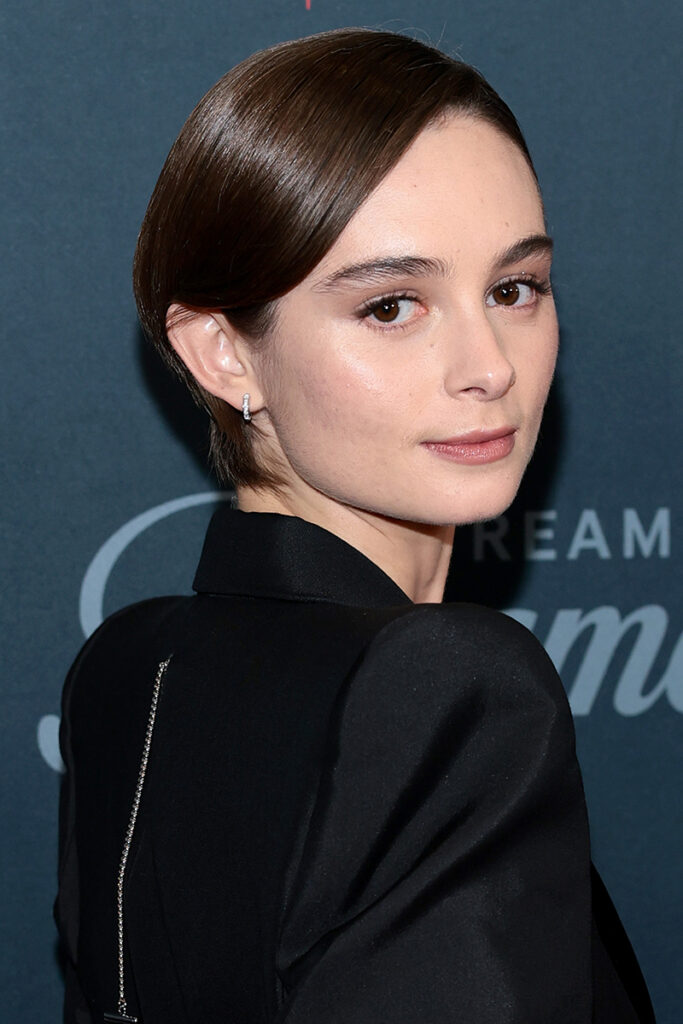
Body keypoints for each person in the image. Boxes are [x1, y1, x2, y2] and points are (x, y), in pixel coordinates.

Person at [54, 27, 655, 1024]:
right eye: (390, 307)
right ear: (222, 353)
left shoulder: (124, 668)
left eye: (514, 289)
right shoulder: (446, 687)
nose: (489, 366)